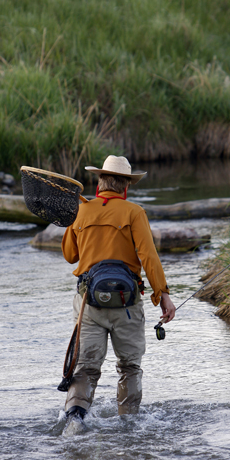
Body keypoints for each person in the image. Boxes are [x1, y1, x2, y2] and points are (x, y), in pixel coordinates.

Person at [61, 155, 176, 422]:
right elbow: (149, 257)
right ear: (125, 187)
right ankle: (129, 425)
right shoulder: (134, 212)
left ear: (100, 182)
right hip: (127, 305)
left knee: (86, 369)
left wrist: (71, 219)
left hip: (89, 306)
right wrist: (163, 296)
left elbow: (69, 255)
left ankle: (75, 423)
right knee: (130, 368)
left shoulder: (82, 210)